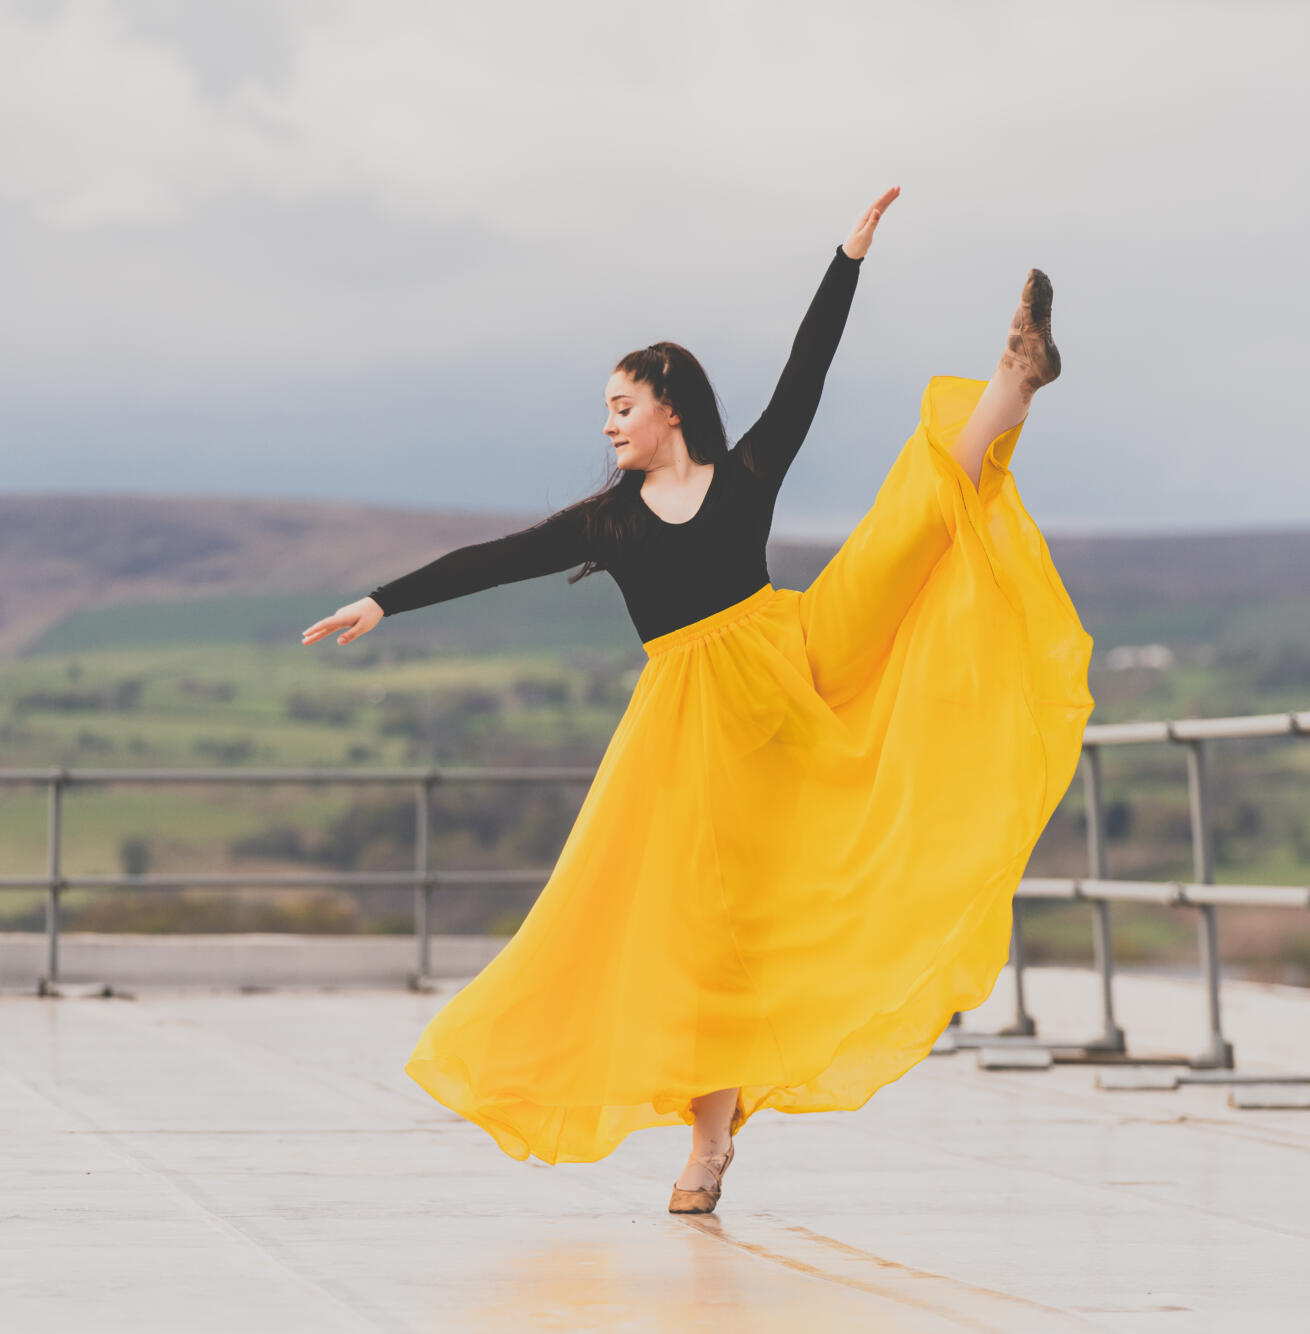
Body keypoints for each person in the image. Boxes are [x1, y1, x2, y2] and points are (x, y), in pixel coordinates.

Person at [302, 188, 1094, 1215]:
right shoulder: (609, 523)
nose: (609, 424)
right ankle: (707, 1145)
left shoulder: (746, 473)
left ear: (668, 402)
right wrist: (382, 600)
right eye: (606, 413)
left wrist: (845, 257)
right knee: (703, 935)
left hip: (791, 659)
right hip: (692, 736)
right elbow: (492, 559)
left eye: (621, 405)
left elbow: (805, 375)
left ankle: (1012, 381)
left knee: (903, 533)